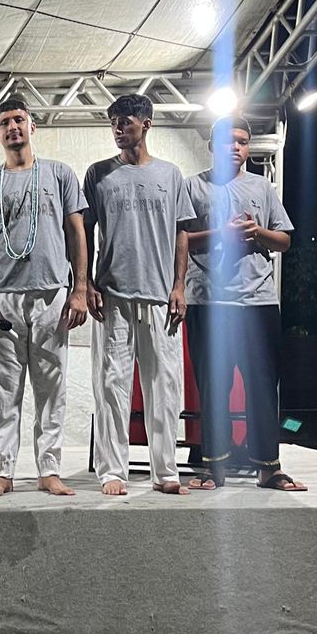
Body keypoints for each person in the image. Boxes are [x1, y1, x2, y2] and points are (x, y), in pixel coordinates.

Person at [0, 100, 89, 498]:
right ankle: (2, 472)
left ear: (32, 127)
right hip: (3, 297)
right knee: (3, 390)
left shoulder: (59, 174)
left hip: (52, 291)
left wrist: (79, 290)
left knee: (51, 387)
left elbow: (76, 232)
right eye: (5, 122)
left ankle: (49, 470)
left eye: (19, 119)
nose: (13, 127)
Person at [185, 118, 306, 492]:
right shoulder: (194, 186)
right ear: (212, 146)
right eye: (228, 141)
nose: (235, 147)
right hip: (209, 301)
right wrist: (222, 234)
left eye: (242, 141)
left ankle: (268, 469)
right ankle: (212, 468)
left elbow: (284, 241)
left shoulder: (261, 187)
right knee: (213, 387)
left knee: (262, 387)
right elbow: (180, 240)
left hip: (258, 301)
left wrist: (258, 232)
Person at [84, 94, 195, 497]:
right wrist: (86, 283)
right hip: (112, 295)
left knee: (165, 386)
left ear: (146, 124)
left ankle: (165, 472)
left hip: (160, 295)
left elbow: (182, 231)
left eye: (125, 121)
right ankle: (112, 471)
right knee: (111, 385)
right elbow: (84, 232)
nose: (118, 128)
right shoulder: (98, 174)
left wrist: (179, 285)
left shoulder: (170, 174)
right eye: (113, 121)